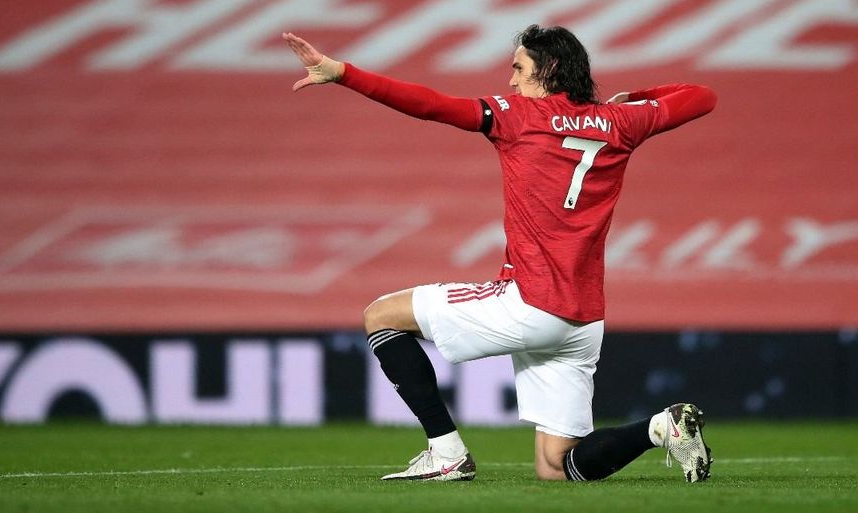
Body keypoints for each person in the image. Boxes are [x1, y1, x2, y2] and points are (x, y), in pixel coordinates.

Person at [282, 25, 718, 482]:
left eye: (518, 68)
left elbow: (428, 104)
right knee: (557, 467)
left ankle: (446, 452)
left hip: (529, 302)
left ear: (549, 68)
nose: (511, 80)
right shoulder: (622, 122)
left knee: (381, 316)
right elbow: (702, 97)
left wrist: (342, 72)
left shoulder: (518, 115)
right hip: (583, 320)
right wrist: (636, 98)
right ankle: (660, 428)